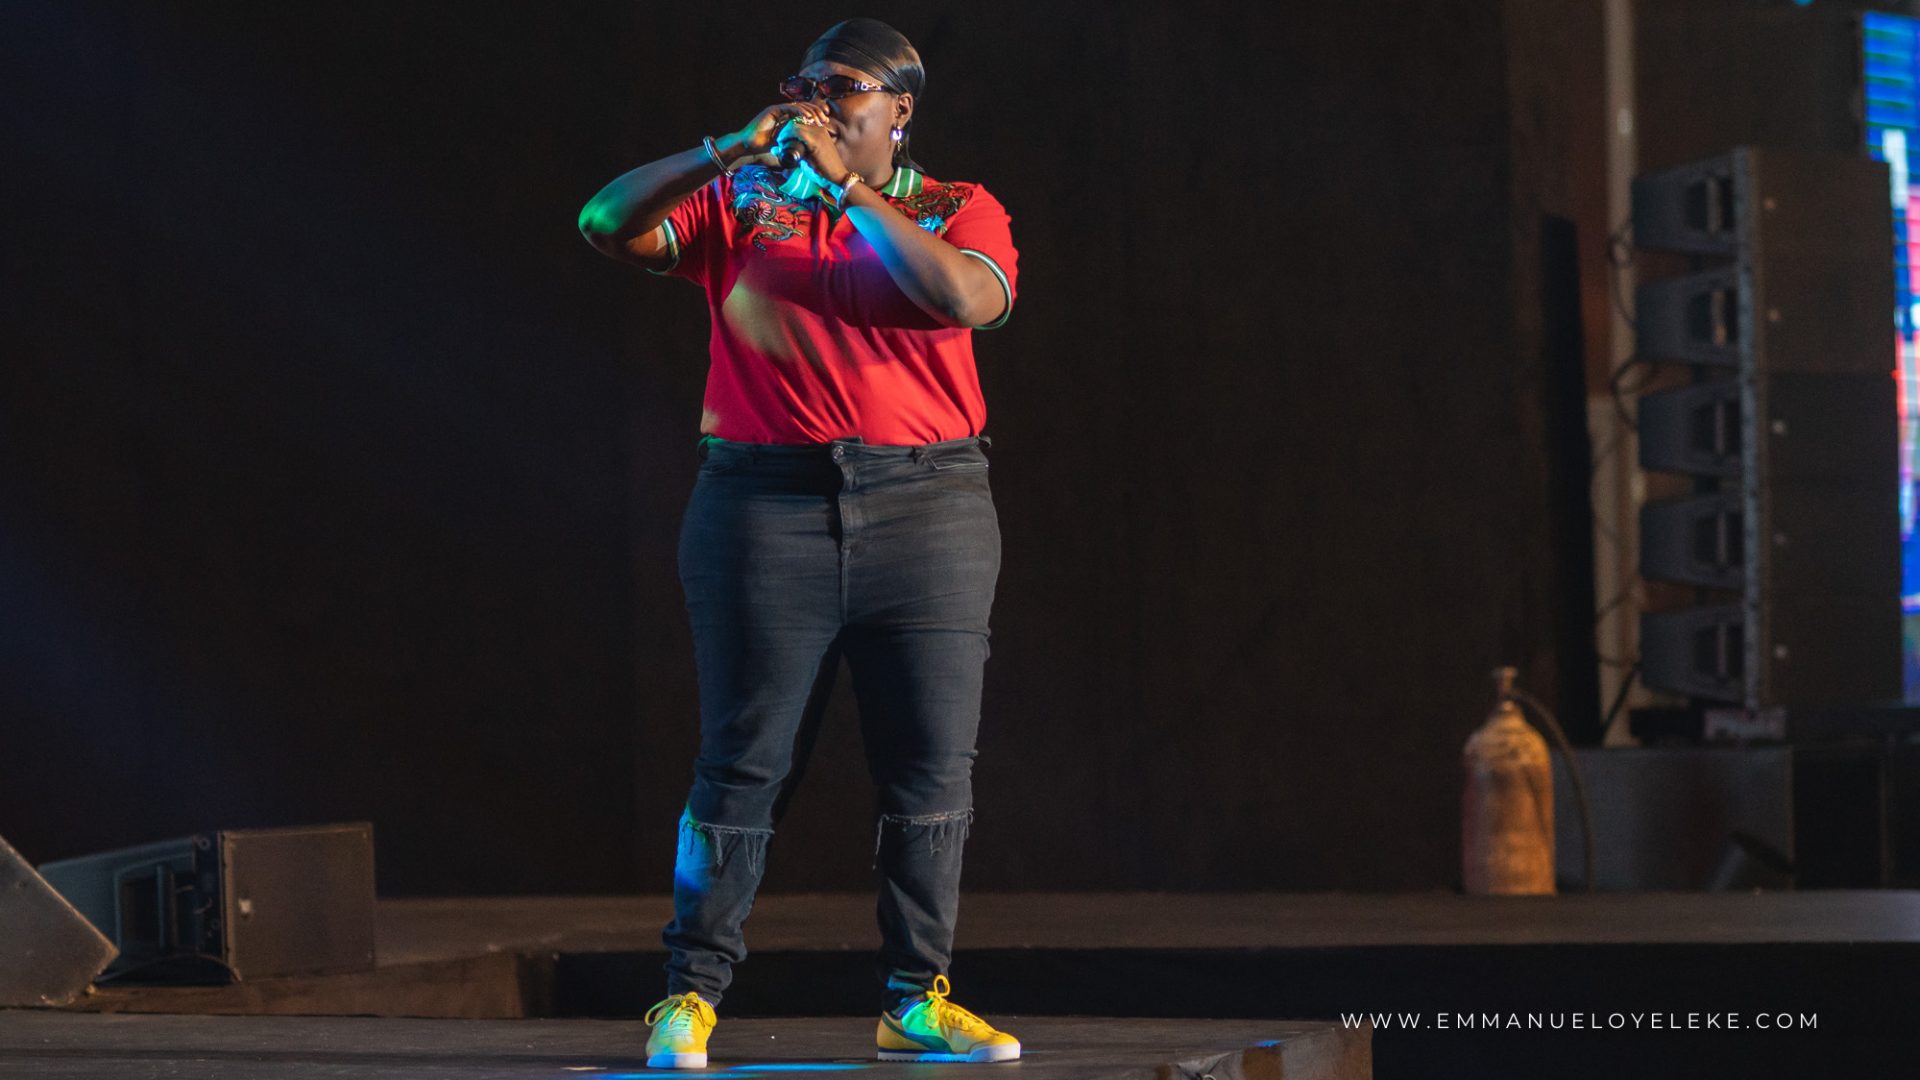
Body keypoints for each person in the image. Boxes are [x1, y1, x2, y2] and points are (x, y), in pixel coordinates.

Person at [577, 17, 1021, 1071]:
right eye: (805, 83)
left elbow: (965, 298)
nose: (817, 100)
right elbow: (603, 221)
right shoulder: (742, 201)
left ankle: (916, 998)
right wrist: (726, 147)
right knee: (743, 759)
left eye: (845, 86)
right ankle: (688, 998)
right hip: (763, 504)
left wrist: (851, 192)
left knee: (930, 766)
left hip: (930, 506)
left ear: (900, 109)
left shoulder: (956, 206)